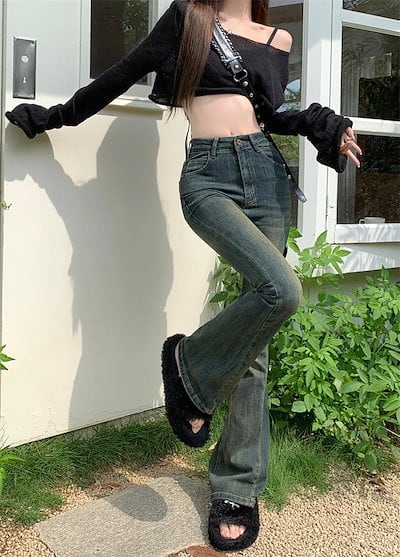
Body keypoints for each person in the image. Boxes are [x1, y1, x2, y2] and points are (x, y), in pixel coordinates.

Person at [5, 0, 361, 551]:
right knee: (282, 291)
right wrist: (54, 117)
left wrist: (324, 125)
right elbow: (121, 73)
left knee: (255, 344)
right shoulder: (189, 19)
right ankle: (187, 365)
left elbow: (268, 115)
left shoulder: (277, 39)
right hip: (208, 176)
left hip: (268, 175)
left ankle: (237, 486)